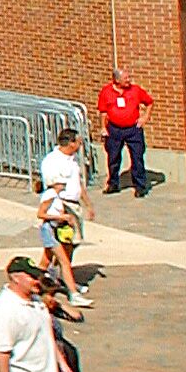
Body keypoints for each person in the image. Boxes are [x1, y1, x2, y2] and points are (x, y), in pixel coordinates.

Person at [36, 128, 94, 307]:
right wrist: (62, 215)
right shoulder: (52, 162)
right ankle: (69, 289)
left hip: (72, 207)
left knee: (67, 247)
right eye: (78, 141)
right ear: (70, 143)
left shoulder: (73, 160)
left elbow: (79, 183)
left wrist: (88, 204)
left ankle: (48, 280)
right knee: (59, 253)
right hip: (61, 210)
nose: (80, 145)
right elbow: (43, 210)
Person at [98, 62, 153, 198]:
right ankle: (113, 183)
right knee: (113, 157)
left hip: (133, 129)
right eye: (125, 78)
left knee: (137, 157)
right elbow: (103, 111)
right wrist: (103, 127)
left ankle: (140, 186)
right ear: (116, 80)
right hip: (114, 130)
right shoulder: (106, 92)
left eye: (129, 78)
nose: (129, 80)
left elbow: (149, 102)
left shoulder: (135, 90)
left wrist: (145, 118)